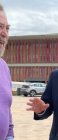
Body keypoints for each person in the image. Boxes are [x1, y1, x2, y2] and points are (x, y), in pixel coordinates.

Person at [0, 4, 14, 140]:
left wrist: (10, 136)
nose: (5, 33)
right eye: (0, 26)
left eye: (7, 28)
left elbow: (6, 110)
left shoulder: (4, 67)